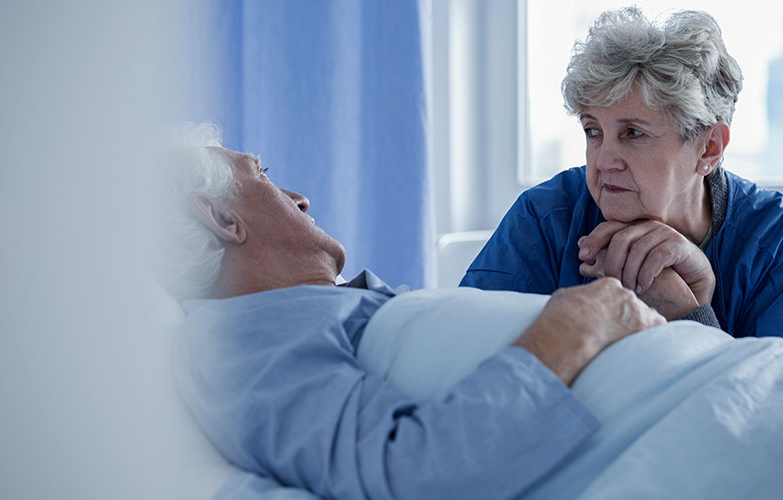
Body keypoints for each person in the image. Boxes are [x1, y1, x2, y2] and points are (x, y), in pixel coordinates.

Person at [159, 123, 666, 499]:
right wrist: (576, 326)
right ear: (223, 217)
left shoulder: (305, 310)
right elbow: (412, 476)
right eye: (262, 176)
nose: (300, 198)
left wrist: (686, 314)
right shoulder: (238, 339)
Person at [461, 7, 783, 354]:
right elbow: (467, 364)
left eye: (633, 133)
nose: (603, 160)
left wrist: (688, 314)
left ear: (709, 149)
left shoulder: (782, 243)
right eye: (593, 131)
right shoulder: (544, 218)